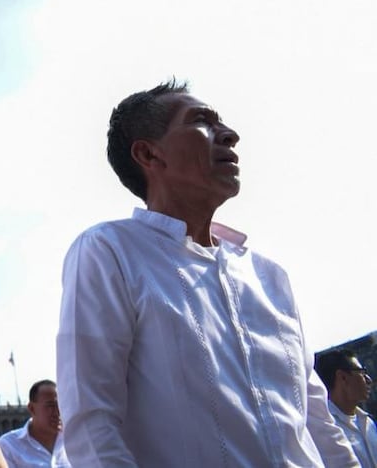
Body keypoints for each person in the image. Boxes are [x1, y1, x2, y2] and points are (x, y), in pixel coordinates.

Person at [56, 80, 359, 466]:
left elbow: (316, 419)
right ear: (148, 153)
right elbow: (92, 424)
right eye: (202, 121)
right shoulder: (110, 251)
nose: (230, 135)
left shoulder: (269, 276)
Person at [316, 349, 377, 466]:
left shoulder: (367, 421)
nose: (368, 379)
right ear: (343, 377)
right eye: (362, 373)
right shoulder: (326, 428)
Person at [0, 380, 69, 467]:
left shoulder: (75, 439)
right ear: (32, 408)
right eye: (51, 406)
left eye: (62, 405)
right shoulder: (8, 445)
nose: (58, 411)